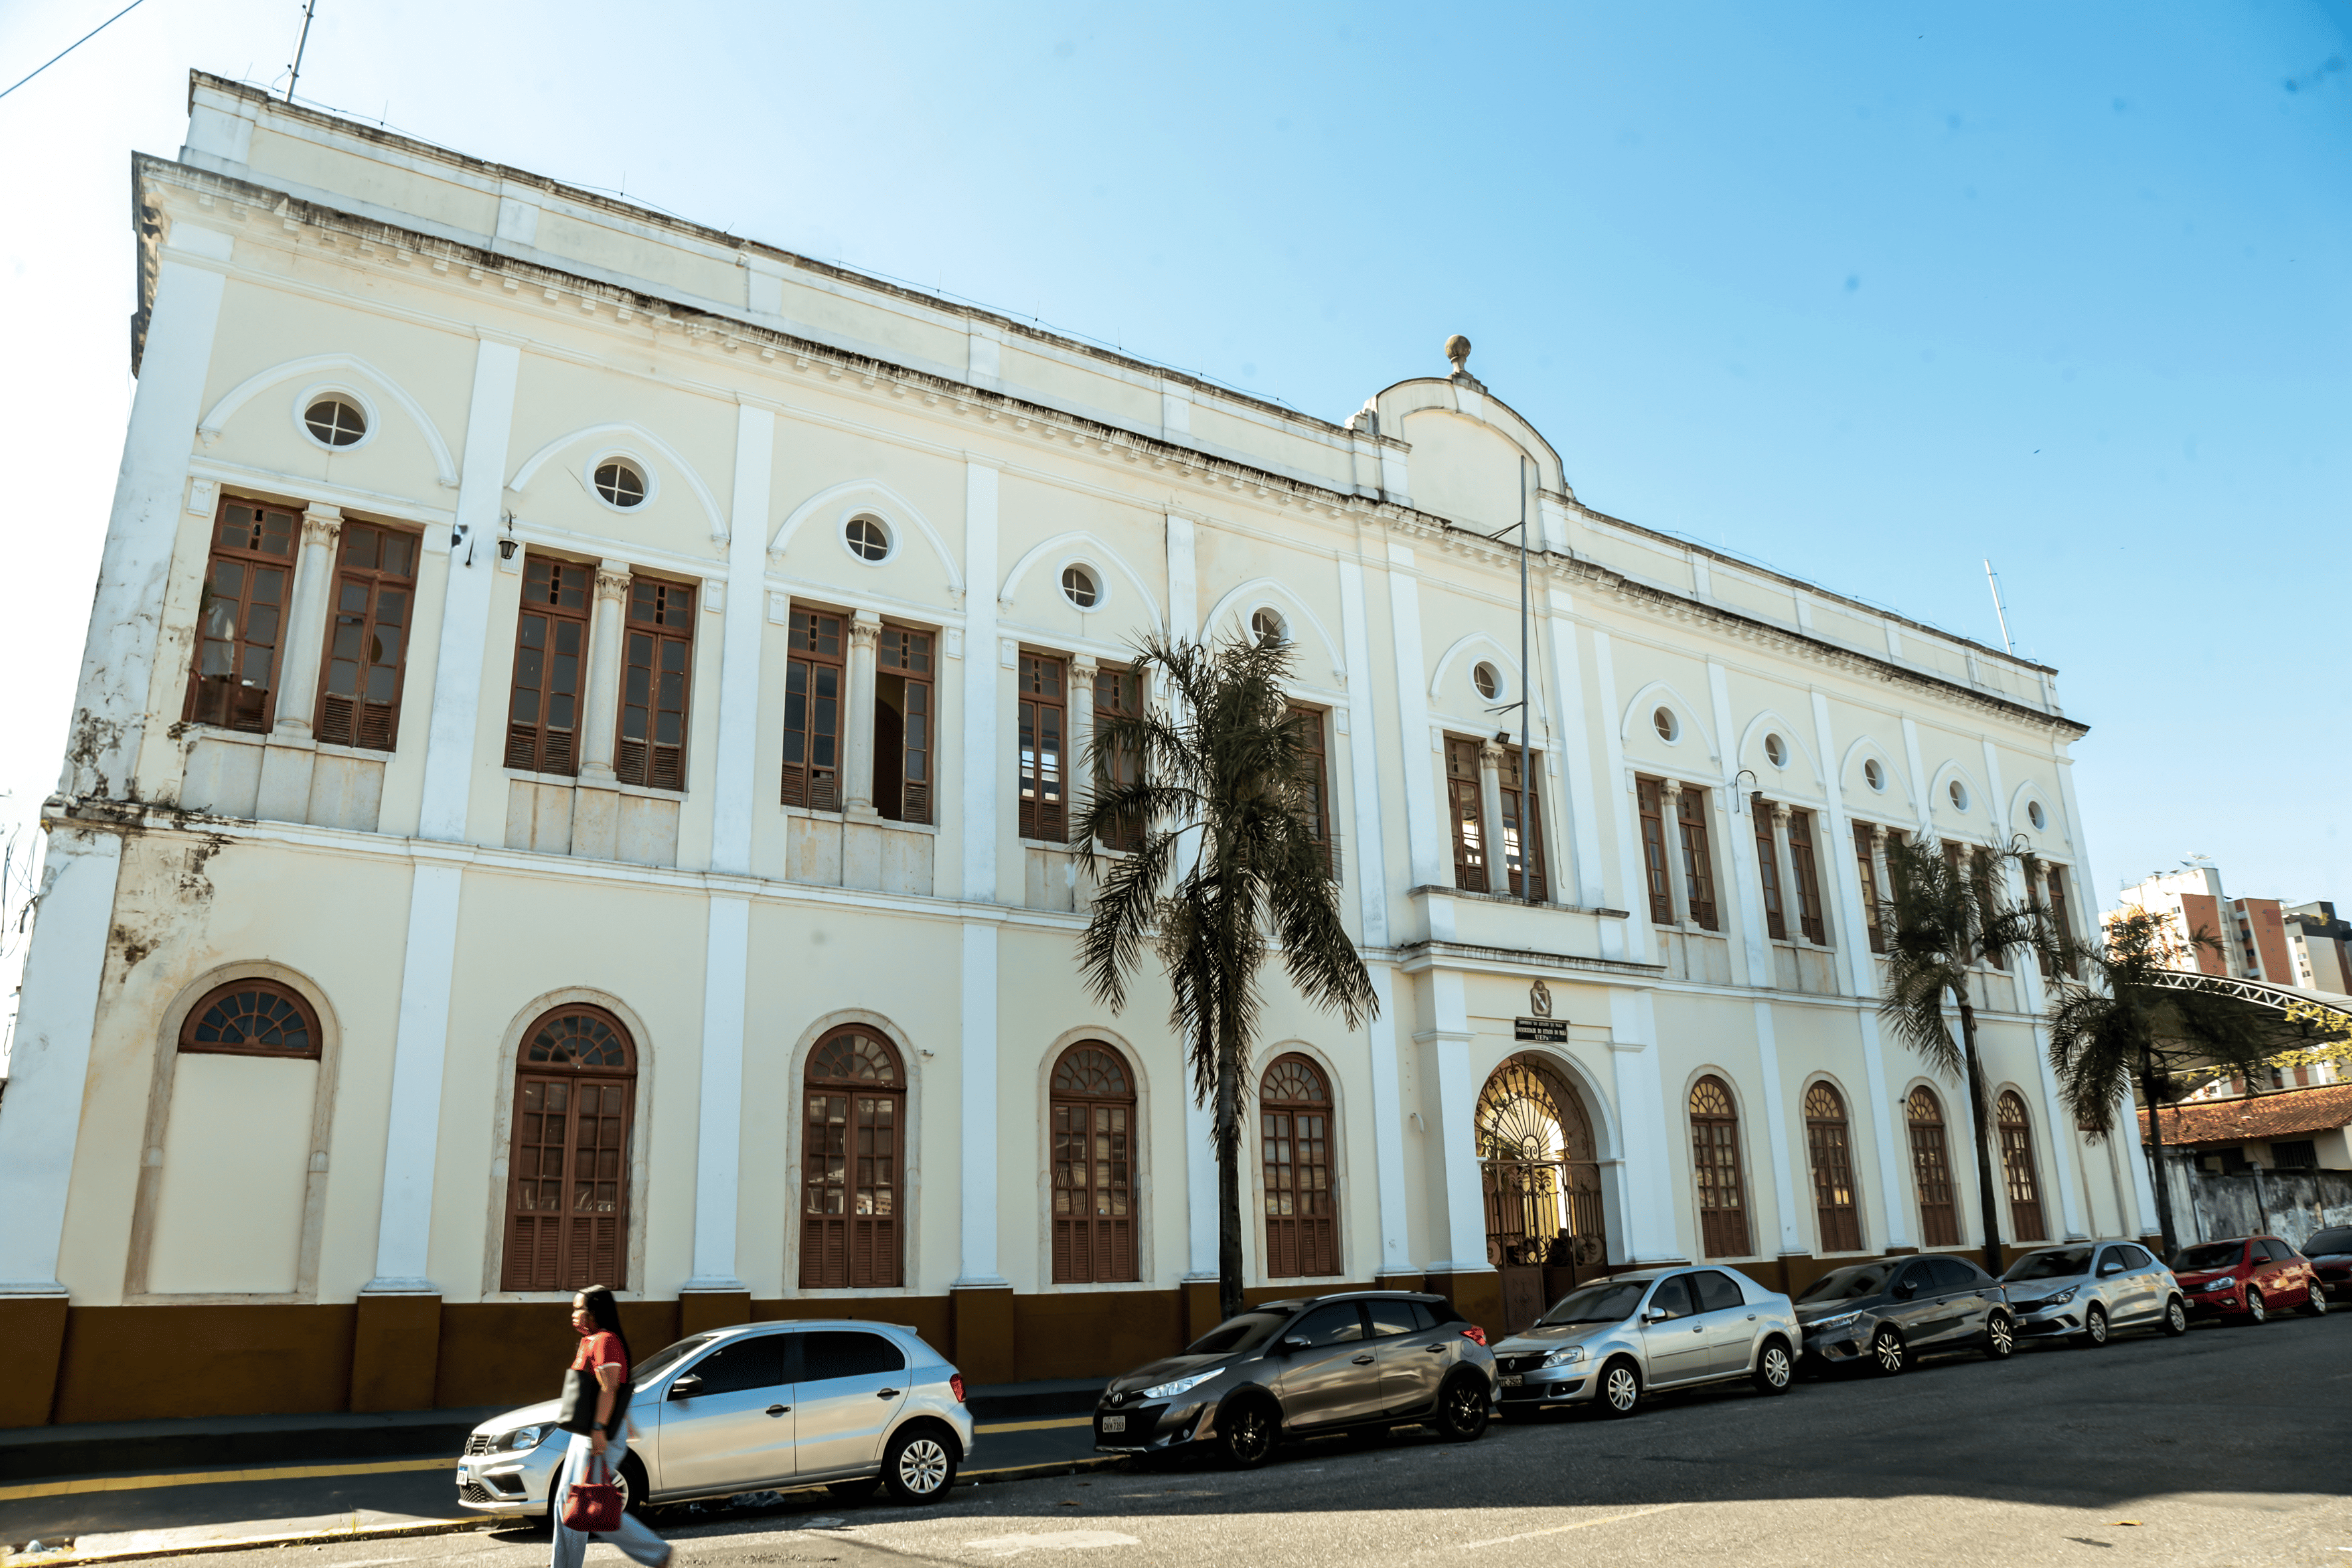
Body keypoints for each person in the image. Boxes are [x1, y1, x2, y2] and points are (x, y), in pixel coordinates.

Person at [550, 1286, 671, 1568]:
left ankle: (656, 1552)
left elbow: (610, 1387)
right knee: (567, 1502)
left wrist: (599, 1429)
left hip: (597, 1434)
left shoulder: (606, 1341)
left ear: (595, 1312)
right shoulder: (590, 1340)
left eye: (579, 1309)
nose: (573, 1314)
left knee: (592, 1506)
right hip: (587, 1433)